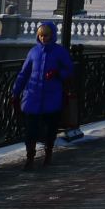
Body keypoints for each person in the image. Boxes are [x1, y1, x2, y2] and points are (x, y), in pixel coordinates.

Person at [11, 21, 74, 169]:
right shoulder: (33, 52)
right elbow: (24, 73)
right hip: (32, 97)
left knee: (50, 129)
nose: (43, 38)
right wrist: (15, 92)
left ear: (52, 35)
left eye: (45, 35)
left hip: (52, 97)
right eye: (40, 35)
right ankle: (30, 158)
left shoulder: (60, 52)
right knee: (30, 130)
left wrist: (58, 73)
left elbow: (69, 70)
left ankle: (48, 153)